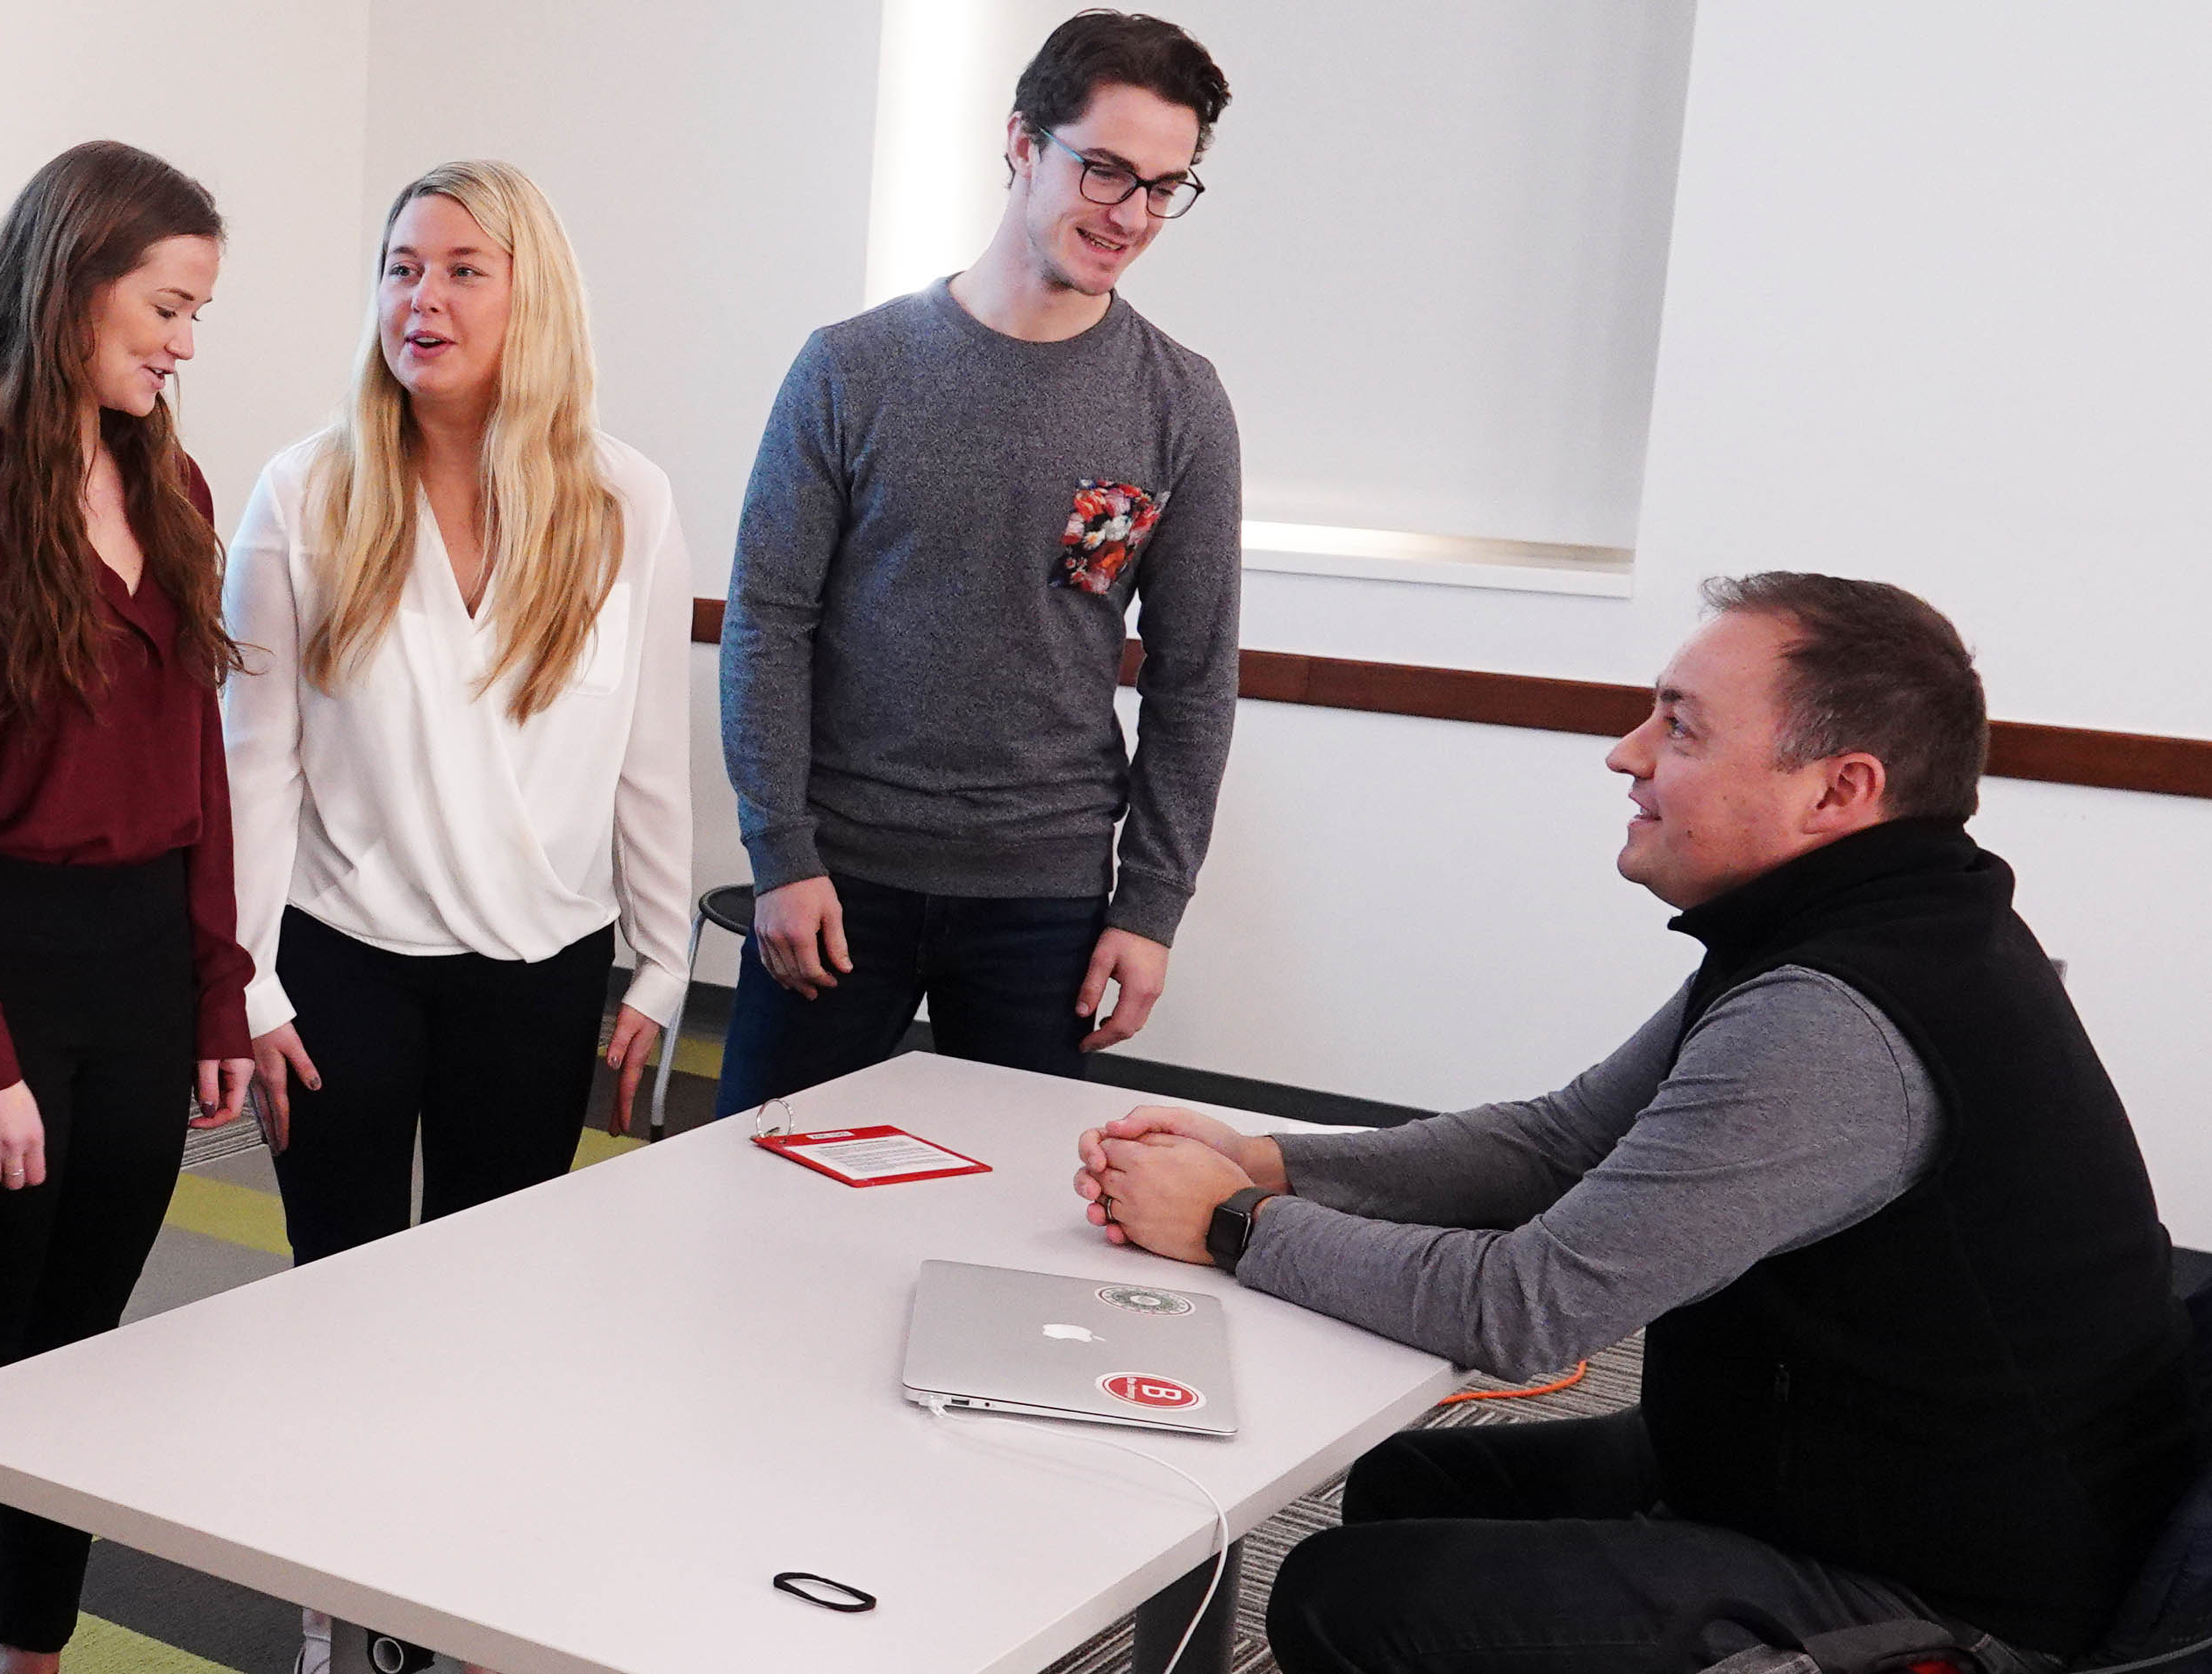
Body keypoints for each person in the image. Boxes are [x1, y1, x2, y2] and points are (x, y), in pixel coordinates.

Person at [1074, 574, 2208, 1674]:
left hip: (1953, 1595)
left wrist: (1233, 1226)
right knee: (1411, 1489)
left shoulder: (1839, 1016)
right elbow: (1560, 1142)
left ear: (1836, 791)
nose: (1626, 754)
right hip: (1850, 1472)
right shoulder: (1861, 926)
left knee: (1348, 1599)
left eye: (1683, 728)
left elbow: (1532, 1307)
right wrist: (1270, 1161)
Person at [220, 160, 691, 1674]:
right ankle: (332, 1602)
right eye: (399, 268)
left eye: (460, 269)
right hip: (338, 967)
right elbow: (252, 763)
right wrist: (250, 985)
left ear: (527, 291)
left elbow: (650, 753)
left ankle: (462, 1595)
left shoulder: (625, 498)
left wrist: (664, 960)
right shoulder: (306, 488)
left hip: (541, 972)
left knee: (501, 1314)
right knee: (343, 1305)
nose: (420, 299)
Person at [715, 9, 1242, 1117]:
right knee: (755, 1197)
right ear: (1019, 140)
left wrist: (1149, 909)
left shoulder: (1180, 401)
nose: (1131, 214)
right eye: (1104, 171)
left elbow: (1194, 681)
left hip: (1043, 898)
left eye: (1163, 186)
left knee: (1012, 1226)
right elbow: (769, 622)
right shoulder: (850, 370)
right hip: (838, 877)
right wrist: (780, 852)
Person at [0, 140, 255, 1674]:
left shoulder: (161, 470)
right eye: (167, 307)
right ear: (74, 283)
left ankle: (34, 1649)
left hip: (135, 969)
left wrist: (217, 983)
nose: (185, 343)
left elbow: (201, 756)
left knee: (78, 1355)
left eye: (196, 315)